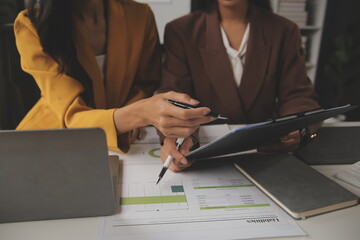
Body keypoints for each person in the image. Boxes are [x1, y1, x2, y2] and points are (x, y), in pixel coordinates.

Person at [14, 0, 214, 152]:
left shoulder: (140, 15)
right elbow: (71, 116)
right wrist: (137, 114)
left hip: (131, 139)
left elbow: (146, 82)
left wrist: (130, 113)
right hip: (53, 140)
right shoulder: (32, 24)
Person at [159, 0, 321, 172]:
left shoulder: (284, 30)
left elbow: (297, 95)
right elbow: (175, 97)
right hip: (204, 152)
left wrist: (298, 128)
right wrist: (177, 138)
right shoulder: (181, 30)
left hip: (265, 151)